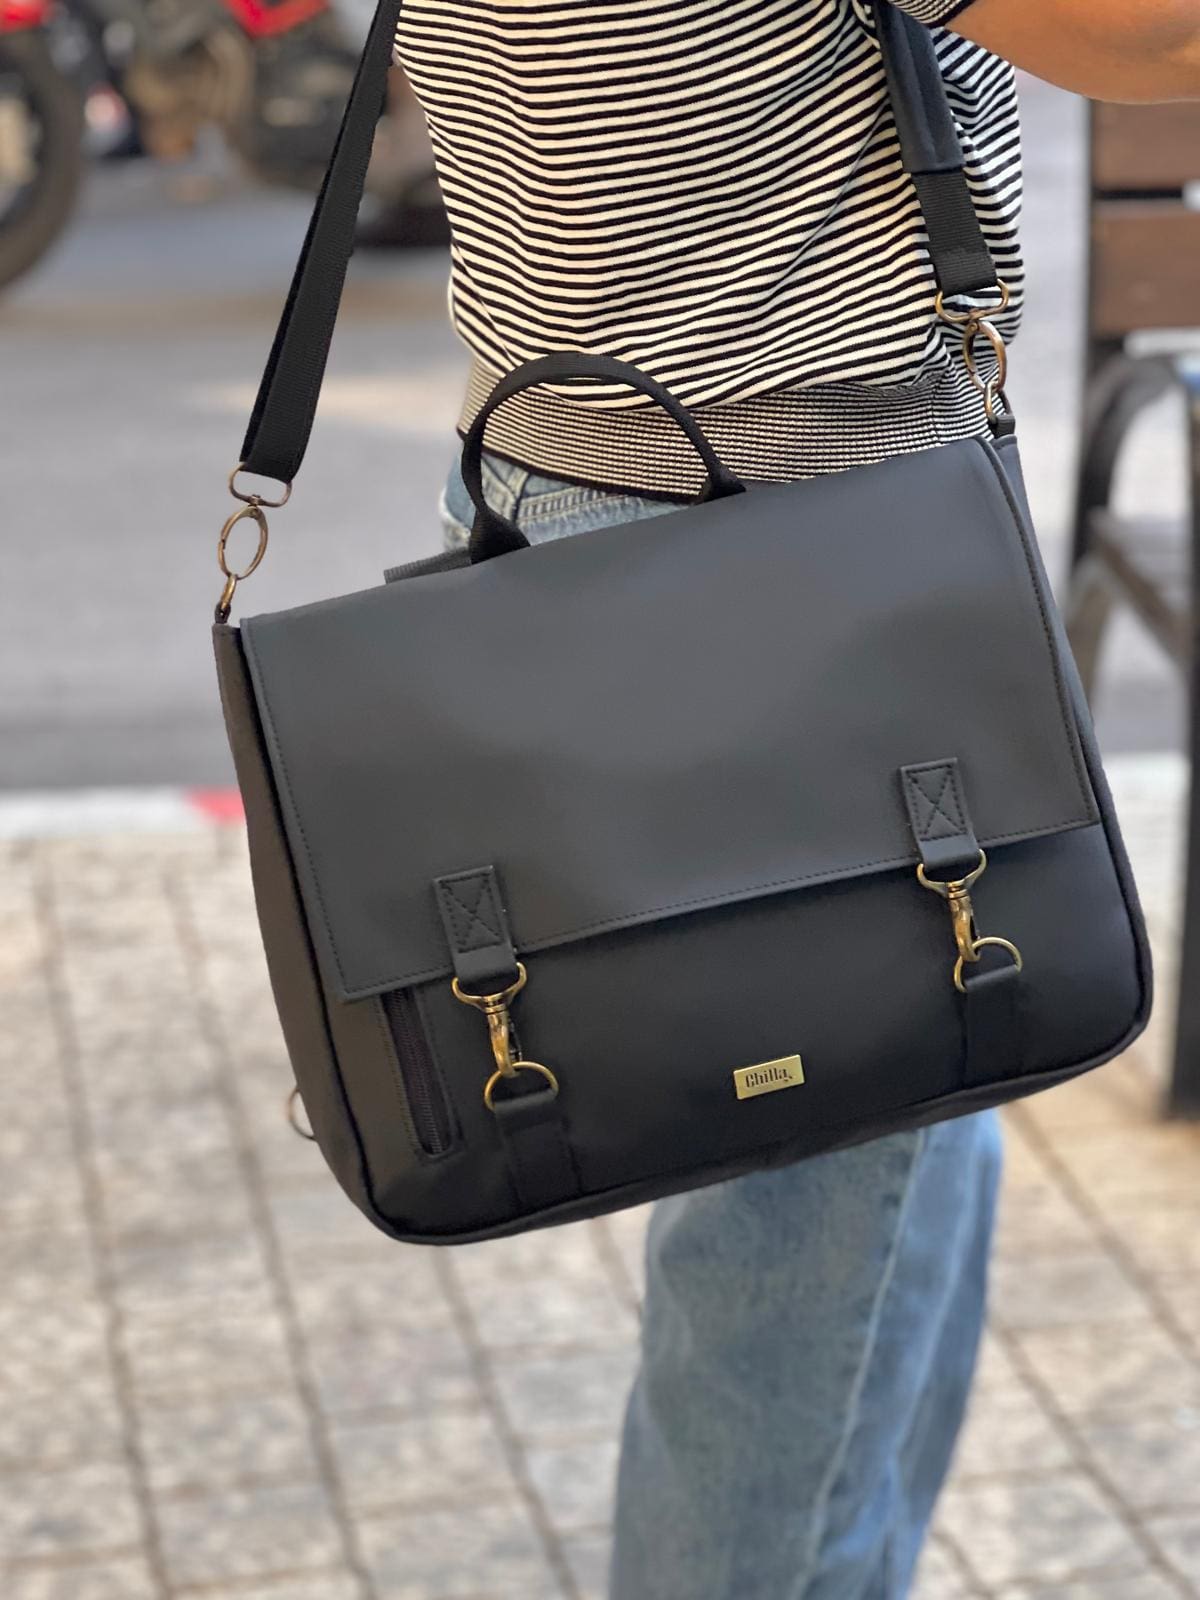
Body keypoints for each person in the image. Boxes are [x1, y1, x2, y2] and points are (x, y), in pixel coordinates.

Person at [393, 2, 1200, 1594]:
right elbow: (1150, 36)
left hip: (585, 480)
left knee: (893, 1165)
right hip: (797, 558)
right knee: (792, 1292)